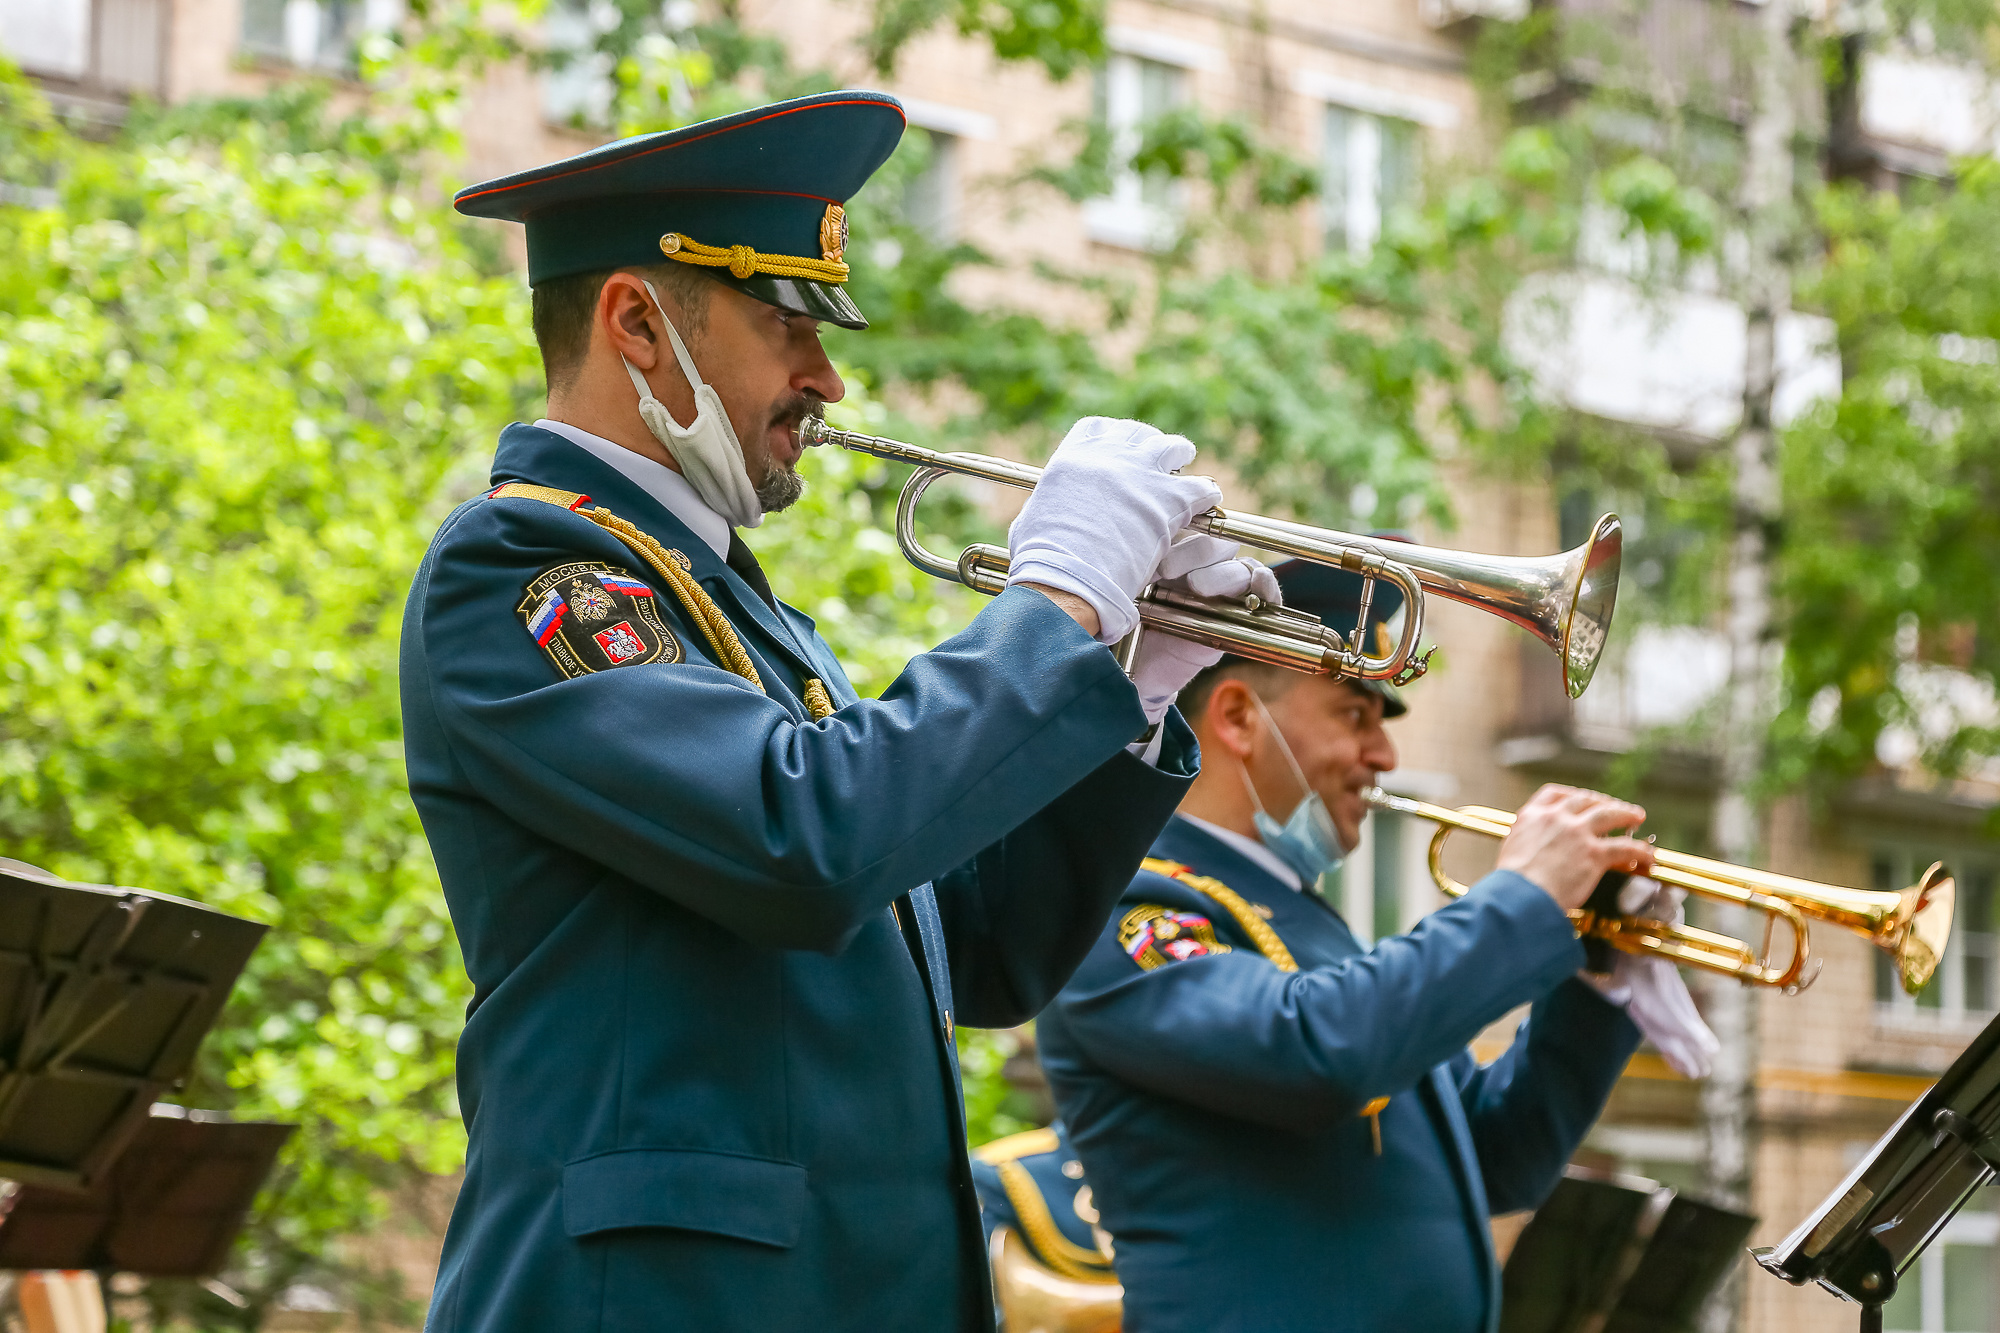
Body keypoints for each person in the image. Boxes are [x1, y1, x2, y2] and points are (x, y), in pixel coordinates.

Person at [402, 91, 1273, 1332]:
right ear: (638, 322)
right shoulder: (533, 568)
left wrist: (1135, 682)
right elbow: (806, 844)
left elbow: (985, 947)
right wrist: (1056, 602)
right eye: (784, 323)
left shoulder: (733, 611)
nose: (827, 377)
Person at [1031, 558, 1720, 1333]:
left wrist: (1594, 972)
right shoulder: (1130, 905)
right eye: (1355, 715)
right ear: (1237, 717)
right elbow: (1316, 1052)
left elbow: (1500, 1153)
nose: (1386, 756)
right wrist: (1521, 899)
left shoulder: (1310, 926)